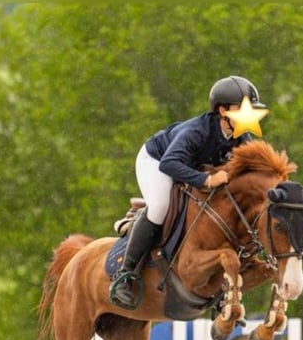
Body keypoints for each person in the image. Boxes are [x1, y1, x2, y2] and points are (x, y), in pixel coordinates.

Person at [109, 75, 266, 310]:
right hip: (156, 160)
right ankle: (125, 274)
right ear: (222, 111)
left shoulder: (242, 136)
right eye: (243, 109)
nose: (249, 115)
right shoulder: (197, 131)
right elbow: (169, 164)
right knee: (161, 206)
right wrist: (207, 180)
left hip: (187, 167)